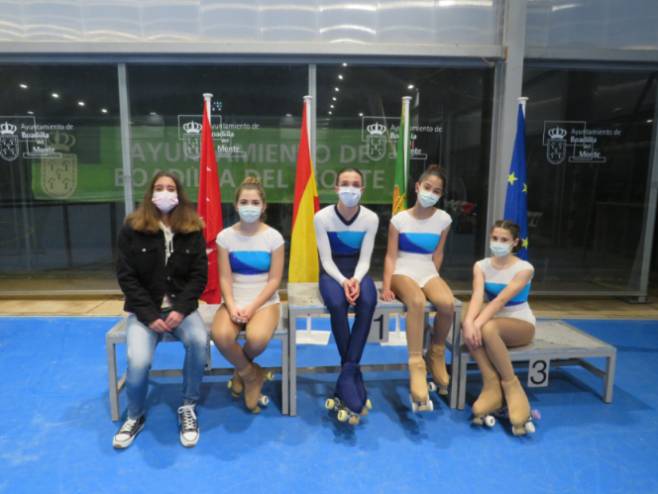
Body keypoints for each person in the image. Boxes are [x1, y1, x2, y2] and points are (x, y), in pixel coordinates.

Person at [114, 171, 208, 449]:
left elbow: (199, 276)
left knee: (199, 341)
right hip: (145, 312)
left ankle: (188, 406)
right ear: (150, 193)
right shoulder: (131, 228)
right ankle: (135, 416)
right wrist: (149, 315)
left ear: (179, 194)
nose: (164, 192)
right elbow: (126, 277)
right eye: (159, 187)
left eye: (170, 188)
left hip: (181, 310)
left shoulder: (193, 228)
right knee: (138, 361)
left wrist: (181, 309)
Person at [381, 164, 455, 412]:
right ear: (417, 187)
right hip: (402, 270)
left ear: (441, 194)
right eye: (427, 187)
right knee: (416, 301)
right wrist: (387, 285)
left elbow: (438, 253)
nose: (430, 193)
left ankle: (436, 352)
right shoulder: (399, 220)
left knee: (446, 303)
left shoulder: (444, 219)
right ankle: (416, 364)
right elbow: (391, 256)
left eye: (437, 191)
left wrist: (434, 280)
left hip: (427, 270)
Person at [211, 176, 284, 413]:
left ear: (263, 206)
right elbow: (224, 278)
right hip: (234, 300)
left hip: (264, 301)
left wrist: (252, 308)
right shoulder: (225, 237)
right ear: (236, 205)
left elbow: (274, 280)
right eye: (244, 202)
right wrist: (232, 306)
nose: (249, 207)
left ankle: (239, 372)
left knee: (257, 338)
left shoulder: (274, 237)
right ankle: (251, 375)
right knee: (221, 336)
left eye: (254, 202)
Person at [314, 168, 379, 424]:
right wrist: (343, 282)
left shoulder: (371, 218)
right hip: (332, 273)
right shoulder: (322, 217)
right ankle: (352, 376)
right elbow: (326, 260)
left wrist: (356, 280)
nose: (350, 188)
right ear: (336, 188)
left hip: (358, 271)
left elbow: (365, 259)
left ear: (362, 189)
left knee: (369, 301)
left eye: (355, 184)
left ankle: (347, 374)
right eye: (345, 183)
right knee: (336, 303)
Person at [462, 220, 536, 435]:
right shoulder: (481, 265)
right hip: (492, 318)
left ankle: (511, 386)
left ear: (515, 242)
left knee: (486, 328)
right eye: (495, 238)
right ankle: (491, 384)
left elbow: (500, 300)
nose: (498, 243)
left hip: (520, 322)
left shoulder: (525, 268)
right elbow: (477, 296)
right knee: (466, 319)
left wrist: (476, 323)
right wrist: (468, 323)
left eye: (504, 239)